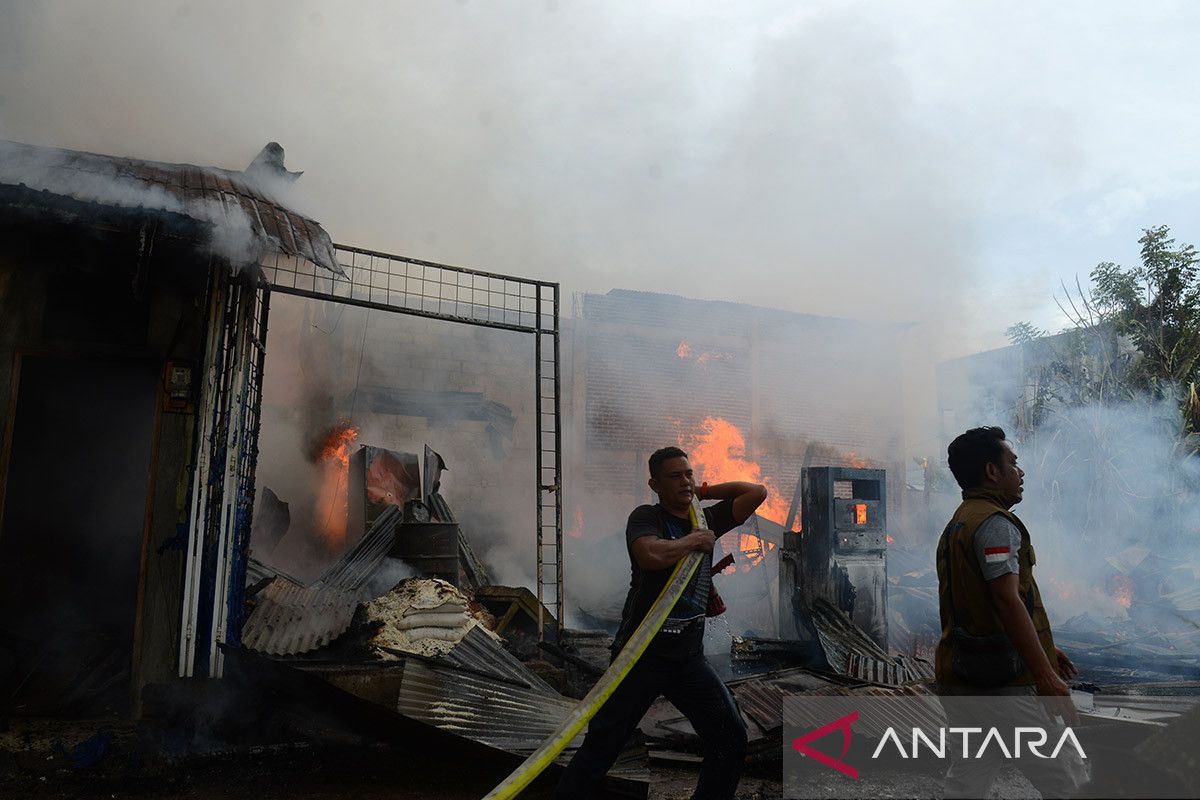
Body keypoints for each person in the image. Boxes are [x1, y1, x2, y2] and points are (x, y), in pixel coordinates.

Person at [554, 446, 766, 800]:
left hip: (687, 658)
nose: (684, 481)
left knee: (730, 738)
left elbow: (756, 493)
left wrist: (705, 492)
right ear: (655, 484)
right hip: (641, 656)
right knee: (602, 747)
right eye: (674, 476)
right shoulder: (646, 518)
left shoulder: (705, 519)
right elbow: (650, 555)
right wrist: (691, 542)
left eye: (688, 474)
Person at [935, 426, 1086, 798]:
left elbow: (982, 605)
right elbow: (1006, 599)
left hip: (963, 672)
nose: (1020, 473)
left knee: (969, 779)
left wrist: (1046, 648)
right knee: (1066, 777)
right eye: (1013, 464)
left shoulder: (961, 520)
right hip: (1001, 682)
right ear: (992, 471)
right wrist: (1044, 674)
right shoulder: (995, 525)